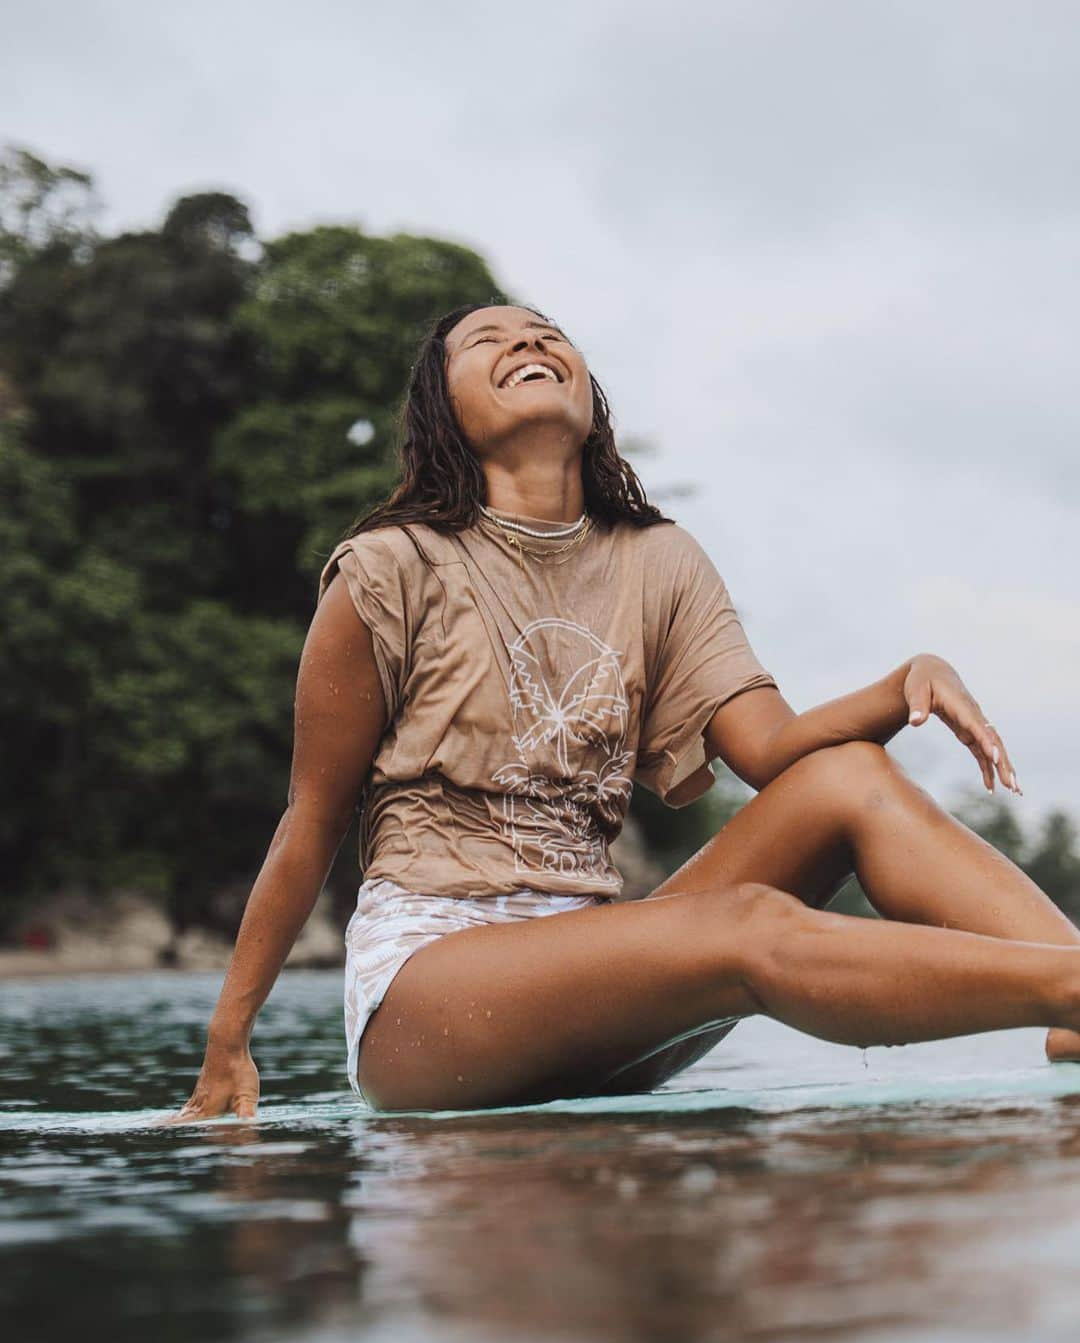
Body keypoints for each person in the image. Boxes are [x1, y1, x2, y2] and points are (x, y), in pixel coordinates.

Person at [165, 302, 1080, 1122]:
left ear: (589, 397)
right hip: (436, 1001)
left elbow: (774, 753)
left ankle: (1071, 1022)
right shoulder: (389, 569)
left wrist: (903, 681)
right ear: (443, 415)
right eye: (487, 340)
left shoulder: (659, 561)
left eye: (546, 333)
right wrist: (229, 1036)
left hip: (607, 990)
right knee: (741, 927)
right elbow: (313, 816)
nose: (526, 339)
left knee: (850, 776)